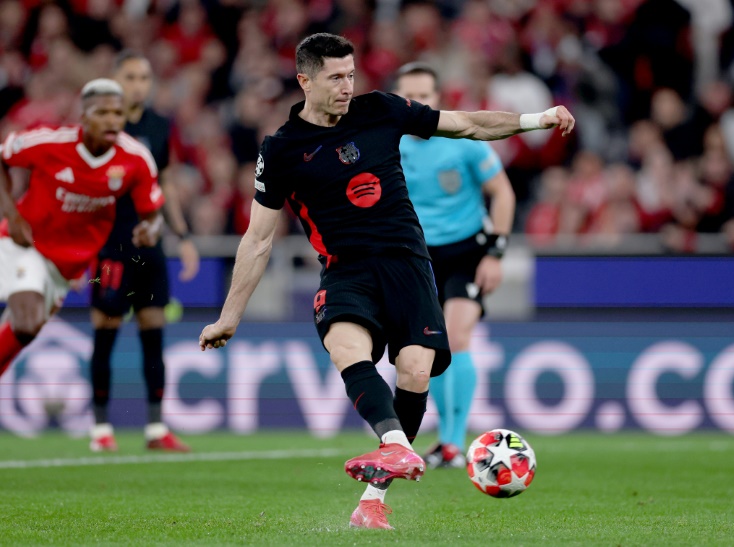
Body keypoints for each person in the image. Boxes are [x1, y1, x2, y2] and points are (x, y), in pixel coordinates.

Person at [198, 33, 574, 530]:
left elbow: (465, 124)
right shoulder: (283, 150)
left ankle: (373, 500)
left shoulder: (381, 110)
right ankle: (396, 447)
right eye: (335, 77)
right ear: (304, 80)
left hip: (407, 263)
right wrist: (230, 314)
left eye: (351, 74)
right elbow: (258, 239)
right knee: (345, 348)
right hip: (346, 268)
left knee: (416, 371)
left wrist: (535, 119)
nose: (347, 86)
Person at [0, 79, 164, 385]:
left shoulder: (136, 159)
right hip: (26, 244)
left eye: (118, 113)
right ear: (84, 115)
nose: (112, 120)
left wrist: (149, 231)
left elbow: (153, 215)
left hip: (67, 266)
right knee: (25, 322)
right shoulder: (49, 142)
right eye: (102, 113)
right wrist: (11, 213)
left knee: (27, 331)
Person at [394, 62, 515, 469]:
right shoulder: (389, 144)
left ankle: (450, 443)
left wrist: (495, 253)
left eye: (425, 96)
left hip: (466, 251)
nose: (418, 103)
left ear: (437, 98)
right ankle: (445, 442)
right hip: (418, 256)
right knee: (432, 346)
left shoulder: (464, 138)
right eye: (410, 97)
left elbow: (502, 193)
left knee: (457, 336)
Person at [88, 51, 199, 454]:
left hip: (150, 246)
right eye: (131, 76)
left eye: (145, 77)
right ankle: (101, 429)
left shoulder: (158, 125)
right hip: (110, 246)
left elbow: (165, 182)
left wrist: (182, 235)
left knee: (154, 333)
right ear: (115, 80)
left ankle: (155, 429)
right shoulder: (100, 127)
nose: (139, 84)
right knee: (106, 333)